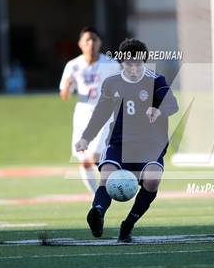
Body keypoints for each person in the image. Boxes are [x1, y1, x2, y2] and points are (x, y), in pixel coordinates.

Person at [75, 38, 179, 242]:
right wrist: (86, 138)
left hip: (150, 146)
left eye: (138, 63)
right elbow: (101, 113)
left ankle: (128, 225)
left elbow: (173, 105)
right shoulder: (112, 83)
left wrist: (158, 110)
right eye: (129, 63)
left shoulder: (156, 80)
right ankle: (97, 213)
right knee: (106, 176)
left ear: (144, 62)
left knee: (152, 180)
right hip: (119, 144)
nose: (133, 68)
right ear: (122, 62)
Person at [59, 26, 120, 194]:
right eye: (87, 40)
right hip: (82, 114)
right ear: (80, 44)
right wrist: (66, 88)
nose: (91, 43)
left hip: (104, 113)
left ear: (100, 43)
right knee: (84, 160)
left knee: (95, 156)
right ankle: (96, 197)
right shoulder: (73, 65)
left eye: (94, 39)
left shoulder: (111, 64)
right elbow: (64, 95)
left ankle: (118, 178)